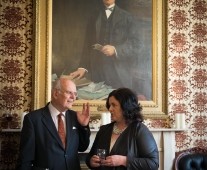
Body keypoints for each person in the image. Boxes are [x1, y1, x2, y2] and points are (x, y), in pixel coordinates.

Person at [69, 0, 148, 98]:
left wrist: (116, 50)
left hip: (119, 74)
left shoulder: (127, 17)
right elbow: (87, 44)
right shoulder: (94, 16)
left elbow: (137, 44)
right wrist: (82, 68)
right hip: (97, 73)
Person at [16, 76, 91, 170]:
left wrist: (84, 126)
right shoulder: (33, 119)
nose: (73, 97)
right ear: (55, 93)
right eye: (69, 92)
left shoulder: (75, 117)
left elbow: (82, 148)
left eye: (75, 94)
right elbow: (25, 159)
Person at [85, 88, 159, 170]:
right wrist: (91, 162)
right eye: (109, 105)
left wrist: (124, 161)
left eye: (114, 105)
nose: (110, 109)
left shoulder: (140, 130)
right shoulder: (103, 130)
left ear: (126, 106)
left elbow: (153, 163)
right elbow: (89, 157)